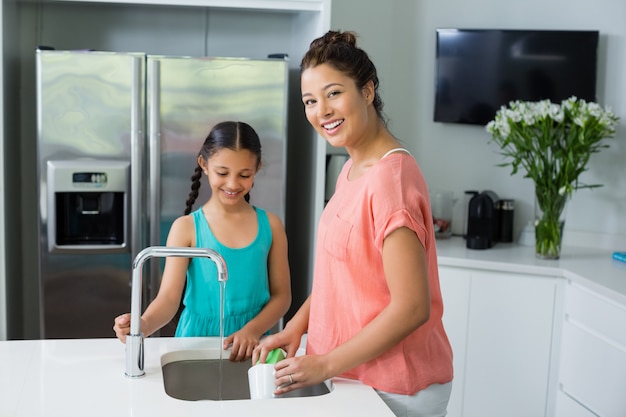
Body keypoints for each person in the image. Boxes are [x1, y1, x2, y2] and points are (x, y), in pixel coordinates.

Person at [252, 31, 453, 416]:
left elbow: (413, 307)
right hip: (352, 377)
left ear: (367, 90)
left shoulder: (390, 181)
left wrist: (325, 363)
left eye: (333, 93)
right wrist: (297, 328)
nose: (321, 110)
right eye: (310, 101)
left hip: (394, 387)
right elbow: (343, 276)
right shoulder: (351, 169)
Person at [114, 121, 291, 362]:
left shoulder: (271, 225)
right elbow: (168, 298)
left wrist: (253, 329)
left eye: (244, 175)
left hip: (252, 344)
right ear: (204, 165)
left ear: (257, 169)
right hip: (194, 341)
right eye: (222, 173)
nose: (232, 184)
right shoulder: (186, 227)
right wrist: (142, 325)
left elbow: (282, 296)